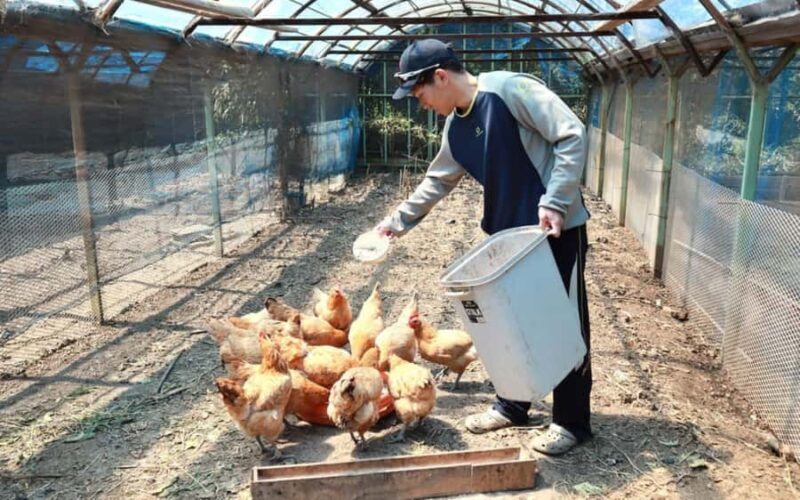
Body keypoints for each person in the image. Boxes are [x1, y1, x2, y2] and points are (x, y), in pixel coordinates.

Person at [373, 39, 592, 455]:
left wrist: (556, 201)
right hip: (506, 240)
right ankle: (513, 404)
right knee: (509, 323)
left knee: (563, 324)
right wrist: (394, 225)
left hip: (554, 231)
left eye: (420, 94)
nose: (421, 105)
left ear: (440, 76)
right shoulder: (455, 127)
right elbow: (436, 181)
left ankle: (571, 421)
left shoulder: (510, 91)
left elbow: (571, 133)